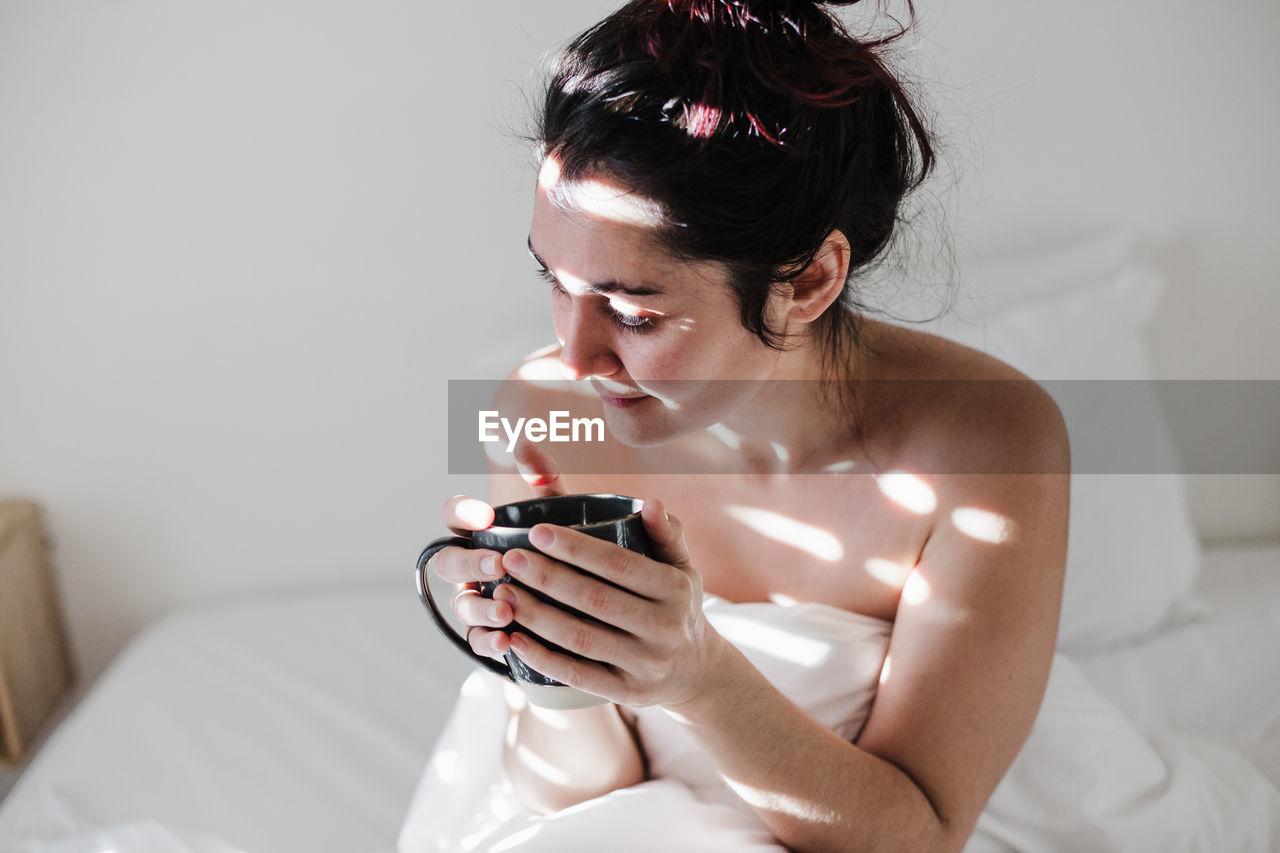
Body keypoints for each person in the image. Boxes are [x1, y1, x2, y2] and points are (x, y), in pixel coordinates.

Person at [419, 1, 1070, 850]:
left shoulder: (988, 445)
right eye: (555, 280)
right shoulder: (544, 416)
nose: (574, 357)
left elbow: (922, 833)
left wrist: (699, 677)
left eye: (631, 312)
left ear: (806, 280)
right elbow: (581, 793)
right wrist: (543, 659)